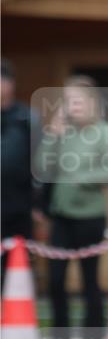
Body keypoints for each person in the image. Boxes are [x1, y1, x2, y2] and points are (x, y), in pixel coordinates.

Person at [34, 76, 108, 339]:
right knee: (57, 280)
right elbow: (41, 167)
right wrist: (52, 135)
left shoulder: (105, 132)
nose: (72, 107)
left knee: (89, 281)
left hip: (90, 216)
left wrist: (81, 178)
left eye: (77, 101)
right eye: (68, 101)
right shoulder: (63, 133)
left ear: (91, 103)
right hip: (62, 217)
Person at [1, 58, 42, 288]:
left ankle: (18, 320)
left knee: (18, 269)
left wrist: (38, 203)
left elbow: (40, 163)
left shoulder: (27, 118)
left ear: (11, 84)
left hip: (19, 207)